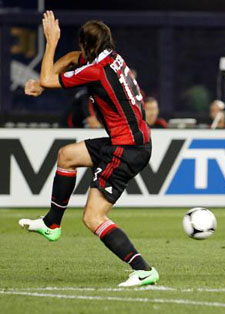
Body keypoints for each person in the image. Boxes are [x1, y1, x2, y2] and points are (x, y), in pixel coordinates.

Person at [19, 11, 159, 287]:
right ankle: (52, 224)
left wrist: (50, 42)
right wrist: (44, 82)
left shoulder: (97, 70)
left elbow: (48, 78)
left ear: (87, 45)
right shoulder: (109, 58)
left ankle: (143, 269)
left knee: (93, 217)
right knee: (66, 155)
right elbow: (72, 58)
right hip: (126, 142)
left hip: (127, 149)